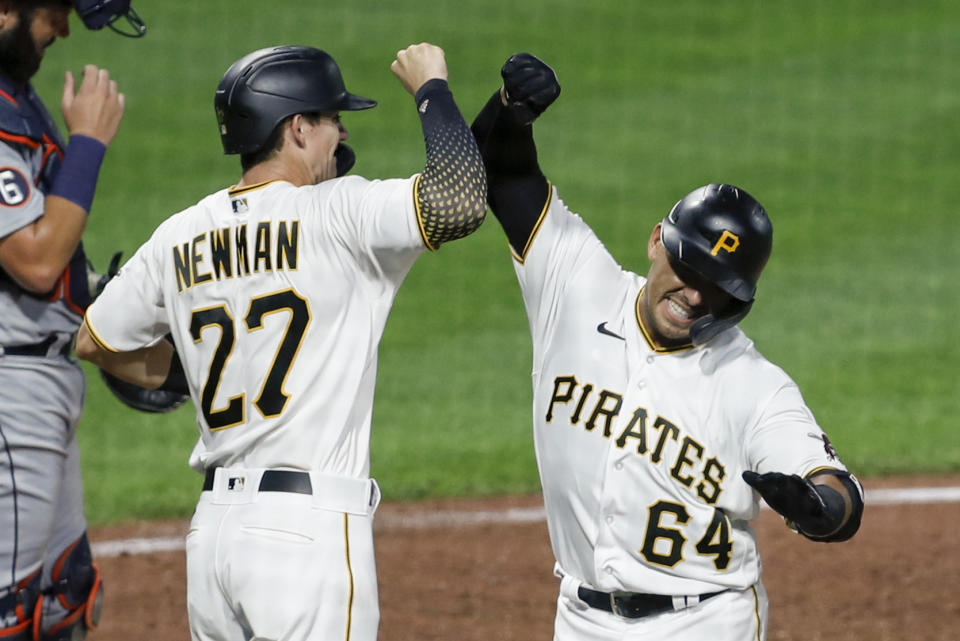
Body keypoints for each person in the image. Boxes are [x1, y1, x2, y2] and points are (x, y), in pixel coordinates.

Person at [75, 42, 486, 641]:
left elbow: (95, 340)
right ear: (297, 128)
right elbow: (459, 200)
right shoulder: (337, 212)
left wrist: (195, 373)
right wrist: (432, 90)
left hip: (213, 537)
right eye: (332, 119)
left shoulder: (180, 233)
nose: (342, 136)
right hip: (305, 537)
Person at [470, 53, 864, 641]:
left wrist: (822, 510)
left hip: (705, 621)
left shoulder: (752, 383)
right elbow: (503, 176)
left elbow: (836, 488)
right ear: (657, 240)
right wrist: (509, 114)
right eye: (687, 268)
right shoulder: (578, 286)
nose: (694, 295)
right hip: (579, 619)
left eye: (718, 289)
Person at [0, 2, 143, 640]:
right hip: (9, 391)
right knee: (11, 613)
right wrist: (87, 142)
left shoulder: (16, 100)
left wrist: (96, 296)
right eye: (55, 12)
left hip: (41, 380)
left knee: (64, 597)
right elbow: (32, 259)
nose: (63, 30)